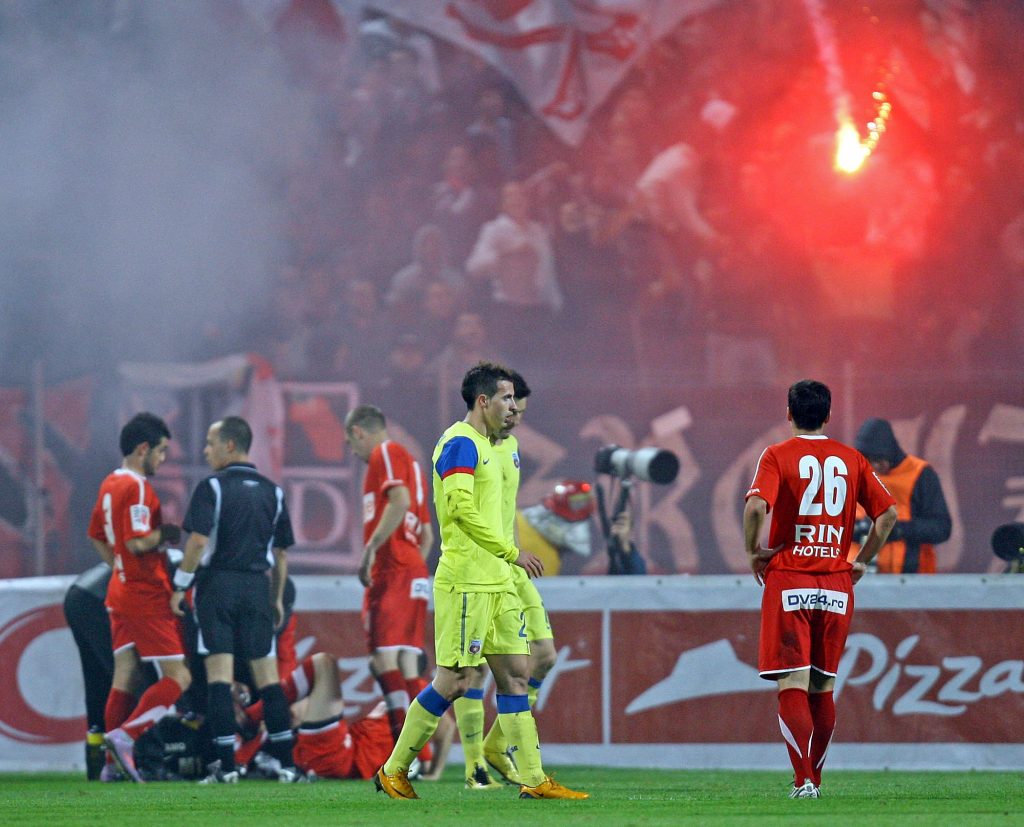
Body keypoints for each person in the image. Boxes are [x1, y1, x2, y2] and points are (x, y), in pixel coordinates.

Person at [374, 362, 587, 800]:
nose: (515, 407)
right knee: (454, 680)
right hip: (467, 582)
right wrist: (511, 552)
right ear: (483, 401)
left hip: (501, 582)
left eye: (515, 399)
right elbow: (460, 512)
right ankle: (394, 770)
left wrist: (508, 563)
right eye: (507, 399)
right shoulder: (459, 445)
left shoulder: (503, 448)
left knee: (514, 676)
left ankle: (533, 779)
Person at [743, 380, 897, 799]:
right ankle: (816, 780)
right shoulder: (852, 458)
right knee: (823, 685)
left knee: (792, 682)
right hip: (836, 583)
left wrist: (753, 552)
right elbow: (887, 516)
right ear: (828, 415)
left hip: (790, 576)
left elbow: (757, 506)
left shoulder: (776, 455)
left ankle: (803, 780)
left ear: (789, 413)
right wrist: (861, 559)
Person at [173, 415, 299, 784]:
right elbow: (282, 554)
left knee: (219, 679)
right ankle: (287, 766)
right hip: (257, 589)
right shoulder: (272, 492)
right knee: (268, 679)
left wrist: (181, 585)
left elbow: (197, 542)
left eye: (210, 443)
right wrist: (276, 599)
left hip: (218, 587)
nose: (205, 450)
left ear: (230, 445)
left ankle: (227, 768)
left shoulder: (211, 487)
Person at [452, 371, 559, 788]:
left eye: (520, 411)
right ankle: (474, 764)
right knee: (473, 670)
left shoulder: (510, 448)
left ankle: (498, 746)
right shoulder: (468, 446)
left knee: (545, 656)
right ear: (488, 403)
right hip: (479, 571)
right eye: (510, 407)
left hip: (511, 570)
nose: (515, 417)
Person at [87, 412, 191, 783]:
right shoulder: (137, 488)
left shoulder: (109, 484)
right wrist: (164, 534)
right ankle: (125, 737)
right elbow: (136, 541)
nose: (163, 459)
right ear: (143, 448)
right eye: (161, 451)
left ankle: (110, 765)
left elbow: (98, 536)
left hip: (120, 591)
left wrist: (119, 566)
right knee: (179, 677)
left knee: (126, 675)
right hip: (144, 594)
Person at [344, 404, 433, 751]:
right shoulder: (411, 462)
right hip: (411, 570)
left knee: (382, 659)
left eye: (351, 444)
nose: (354, 452)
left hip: (394, 568)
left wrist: (371, 550)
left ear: (359, 432)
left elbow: (400, 500)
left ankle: (404, 751)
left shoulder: (387, 452)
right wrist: (415, 571)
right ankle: (421, 750)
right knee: (408, 666)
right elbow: (427, 534)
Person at [851, 418, 952, 574]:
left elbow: (941, 528)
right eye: (866, 462)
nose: (874, 469)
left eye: (878, 461)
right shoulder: (850, 473)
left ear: (890, 456)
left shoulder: (920, 474)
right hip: (856, 576)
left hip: (909, 578)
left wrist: (897, 530)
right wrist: (857, 528)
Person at [63, 563, 116, 779]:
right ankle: (144, 757)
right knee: (126, 679)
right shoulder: (180, 565)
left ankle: (97, 761)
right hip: (97, 600)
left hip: (80, 595)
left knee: (98, 680)